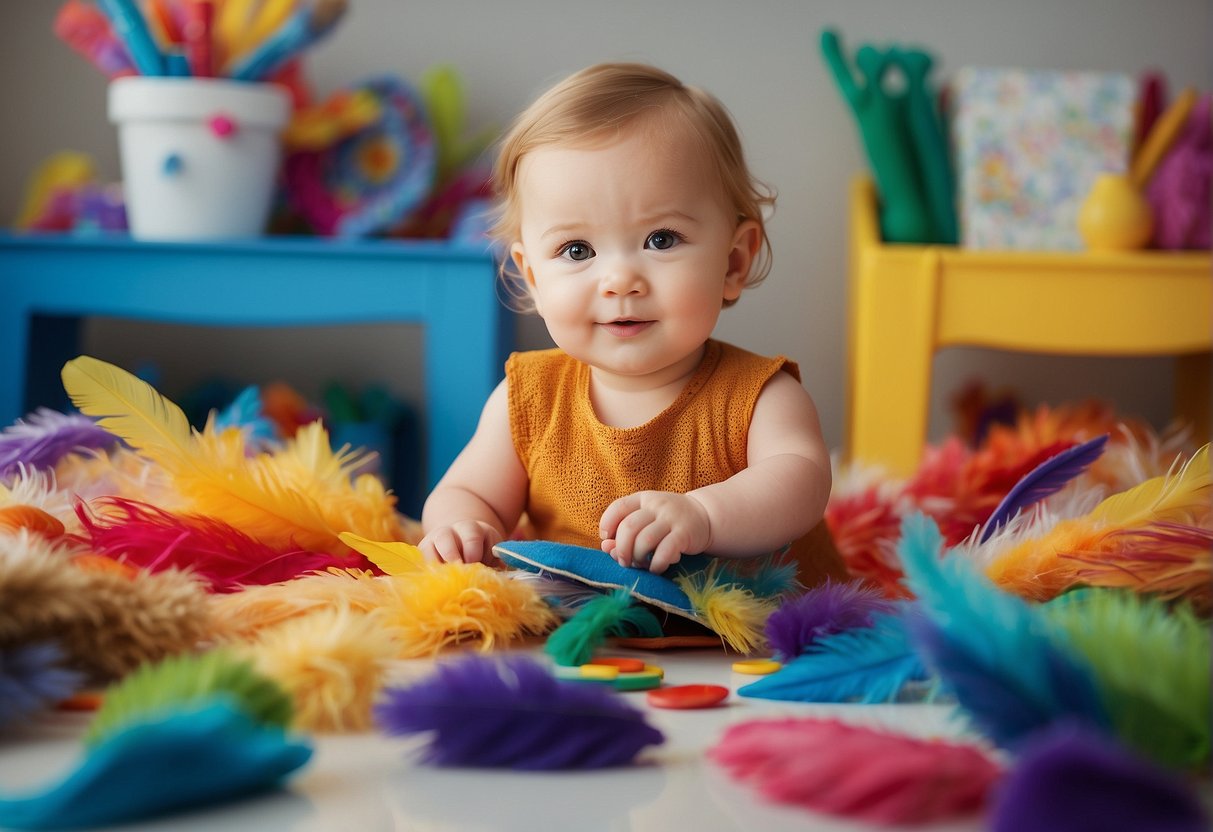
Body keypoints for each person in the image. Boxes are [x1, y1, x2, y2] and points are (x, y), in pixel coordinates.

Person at [420, 62, 847, 585]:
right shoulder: (528, 398)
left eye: (661, 239)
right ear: (532, 277)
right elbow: (470, 492)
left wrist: (705, 517)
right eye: (577, 249)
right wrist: (462, 526)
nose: (620, 280)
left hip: (749, 644)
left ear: (733, 262)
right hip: (592, 643)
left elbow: (800, 482)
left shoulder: (761, 396)